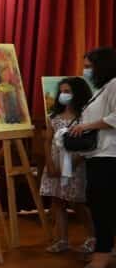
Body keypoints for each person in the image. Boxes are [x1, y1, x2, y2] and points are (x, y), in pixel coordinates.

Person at [68, 47, 116, 268]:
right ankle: (106, 247)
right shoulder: (102, 88)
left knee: (101, 205)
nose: (85, 70)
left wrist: (87, 126)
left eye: (88, 66)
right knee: (98, 203)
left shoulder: (114, 85)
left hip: (109, 155)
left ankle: (103, 252)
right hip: (97, 154)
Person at [41, 77, 94, 254]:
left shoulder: (85, 118)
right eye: (61, 91)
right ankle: (62, 240)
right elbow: (47, 141)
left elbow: (88, 144)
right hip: (55, 165)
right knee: (58, 201)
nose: (63, 95)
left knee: (78, 202)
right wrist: (49, 163)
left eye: (67, 91)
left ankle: (93, 237)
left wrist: (73, 164)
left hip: (76, 166)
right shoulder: (53, 117)